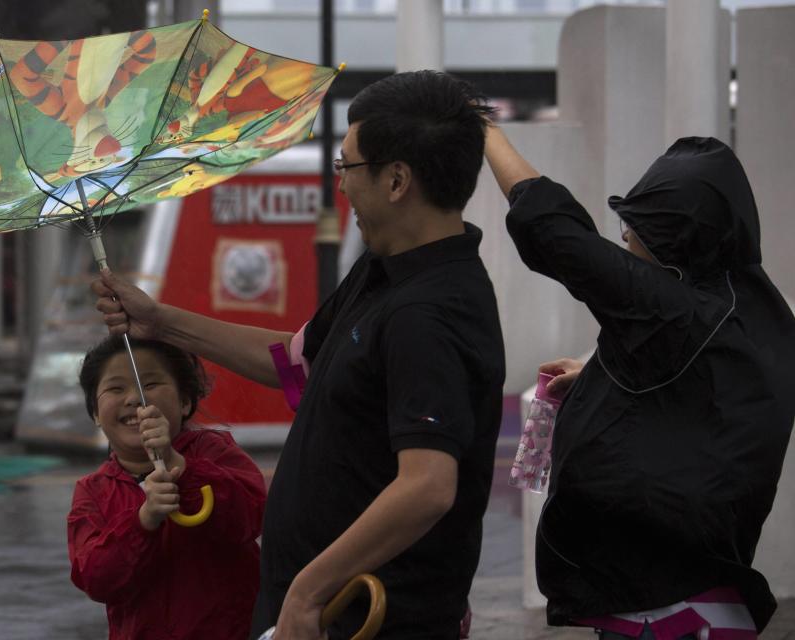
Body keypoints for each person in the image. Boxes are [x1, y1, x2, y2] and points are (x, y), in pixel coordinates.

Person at [91, 70, 506, 639]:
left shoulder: (428, 312)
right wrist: (159, 320)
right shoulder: (382, 269)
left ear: (397, 180)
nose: (341, 185)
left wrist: (309, 591)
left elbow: (428, 485)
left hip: (365, 620)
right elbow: (292, 361)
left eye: (348, 167)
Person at [483, 127, 795, 639]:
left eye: (638, 228)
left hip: (666, 612)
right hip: (698, 602)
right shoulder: (746, 311)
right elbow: (700, 392)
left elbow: (559, 236)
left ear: (677, 244)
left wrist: (484, 132)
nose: (624, 237)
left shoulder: (682, 317)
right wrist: (598, 373)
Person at [68, 335, 266, 640]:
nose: (135, 399)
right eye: (115, 388)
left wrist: (178, 465)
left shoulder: (213, 451)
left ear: (185, 402)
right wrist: (143, 521)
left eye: (150, 385)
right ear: (95, 413)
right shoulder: (92, 491)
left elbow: (253, 516)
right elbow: (96, 579)